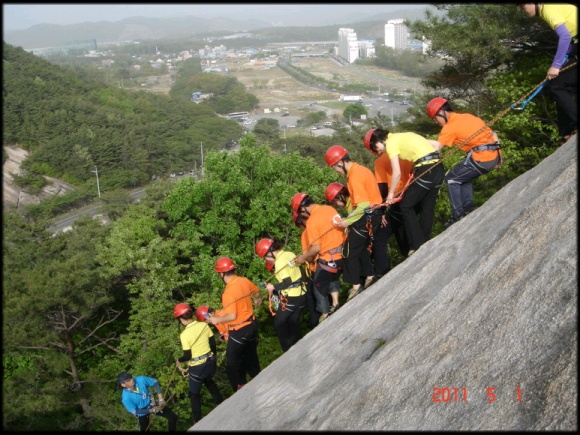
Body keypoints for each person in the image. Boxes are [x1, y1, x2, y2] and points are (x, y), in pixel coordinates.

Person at [425, 98, 503, 228]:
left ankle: (457, 215)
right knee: (463, 178)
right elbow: (492, 133)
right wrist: (499, 157)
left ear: (440, 112)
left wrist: (419, 141)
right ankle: (467, 209)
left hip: (481, 158)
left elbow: (437, 147)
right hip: (493, 156)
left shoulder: (450, 127)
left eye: (435, 119)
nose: (436, 122)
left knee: (451, 179)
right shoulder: (468, 116)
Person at [325, 145, 383, 301]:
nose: (336, 171)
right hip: (374, 214)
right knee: (361, 248)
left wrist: (347, 221)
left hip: (367, 216)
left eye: (334, 168)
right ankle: (370, 276)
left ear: (339, 163)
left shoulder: (355, 176)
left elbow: (363, 204)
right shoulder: (361, 170)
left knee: (348, 251)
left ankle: (356, 286)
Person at [375, 130, 444, 256]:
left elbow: (397, 173)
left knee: (405, 206)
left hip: (425, 170)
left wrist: (390, 195)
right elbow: (437, 145)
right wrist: (431, 161)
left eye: (376, 147)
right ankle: (425, 240)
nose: (378, 152)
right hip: (438, 169)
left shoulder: (390, 143)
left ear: (380, 140)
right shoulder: (404, 136)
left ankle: (417, 244)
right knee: (427, 207)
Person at [516, 3, 577, 145]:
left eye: (522, 5)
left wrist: (556, 66)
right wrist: (560, 62)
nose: (521, 9)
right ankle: (567, 132)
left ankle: (569, 130)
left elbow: (565, 36)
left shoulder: (548, 8)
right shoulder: (549, 8)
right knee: (562, 85)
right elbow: (569, 40)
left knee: (557, 87)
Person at [205, 257, 262, 392]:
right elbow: (256, 291)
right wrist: (256, 300)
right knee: (250, 355)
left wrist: (216, 320)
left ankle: (239, 387)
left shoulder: (228, 293)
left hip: (239, 329)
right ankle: (257, 377)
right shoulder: (243, 281)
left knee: (231, 364)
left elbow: (232, 316)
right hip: (252, 325)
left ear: (221, 274)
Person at [291, 192, 344, 323]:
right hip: (343, 252)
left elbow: (315, 248)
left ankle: (325, 314)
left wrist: (303, 257)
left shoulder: (312, 222)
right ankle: (336, 303)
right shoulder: (329, 208)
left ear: (303, 209)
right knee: (330, 277)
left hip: (329, 256)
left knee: (318, 285)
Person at [173, 303, 224, 424]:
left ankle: (197, 420)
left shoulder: (184, 335)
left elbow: (187, 356)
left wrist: (179, 360)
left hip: (197, 368)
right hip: (210, 362)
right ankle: (220, 401)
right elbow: (212, 344)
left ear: (180, 319)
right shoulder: (203, 325)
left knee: (194, 395)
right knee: (208, 380)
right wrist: (214, 356)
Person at [255, 238, 307, 351]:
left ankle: (287, 350)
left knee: (280, 323)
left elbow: (287, 282)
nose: (266, 260)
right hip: (302, 292)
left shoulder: (279, 262)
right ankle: (299, 345)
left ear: (269, 252)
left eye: (265, 257)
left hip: (292, 296)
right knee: (293, 322)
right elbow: (298, 272)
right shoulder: (289, 253)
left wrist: (272, 287)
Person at [293, 210, 320, 327]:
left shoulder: (305, 234)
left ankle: (316, 319)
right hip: (328, 260)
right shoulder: (317, 225)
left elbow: (308, 257)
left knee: (310, 295)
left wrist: (302, 259)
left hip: (316, 266)